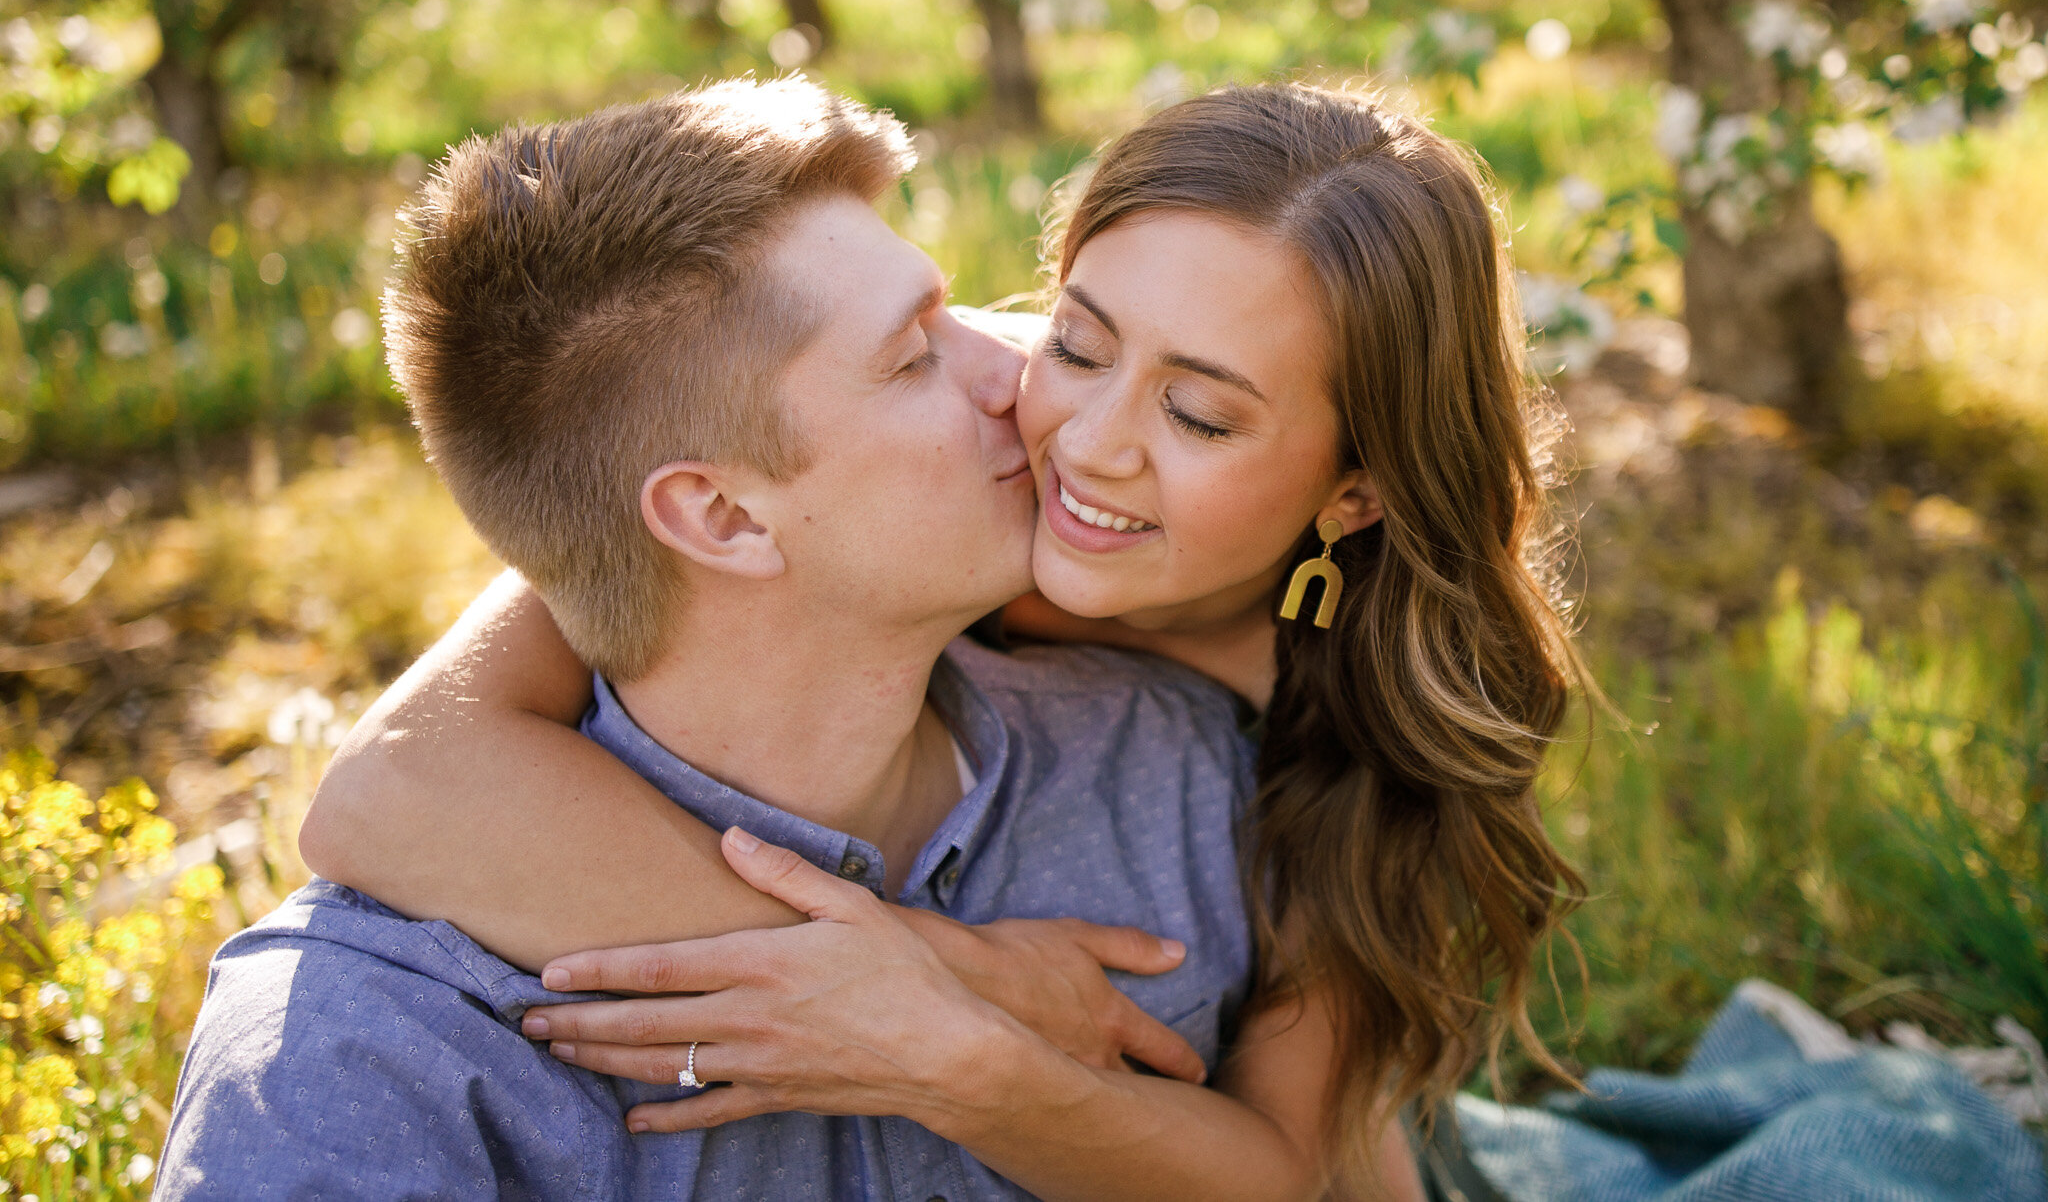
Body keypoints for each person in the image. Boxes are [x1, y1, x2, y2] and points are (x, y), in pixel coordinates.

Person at [299, 80, 1589, 1191]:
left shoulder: (1363, 716)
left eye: (1201, 417)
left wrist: (960, 1057)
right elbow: (398, 784)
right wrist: (948, 965)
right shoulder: (980, 442)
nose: (1084, 441)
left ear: (1354, 489)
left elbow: (1272, 1164)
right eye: (1075, 338)